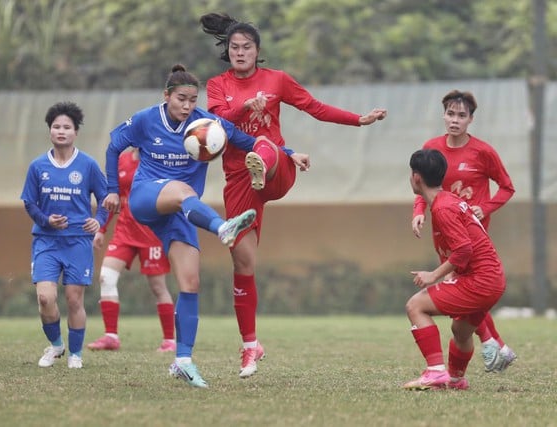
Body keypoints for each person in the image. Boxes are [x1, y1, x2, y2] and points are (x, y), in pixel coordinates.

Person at [199, 12, 387, 378]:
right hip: (239, 179)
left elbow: (315, 107)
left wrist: (357, 119)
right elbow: (217, 122)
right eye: (234, 47)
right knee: (242, 263)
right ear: (227, 51)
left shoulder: (277, 80)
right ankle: (251, 346)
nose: (240, 53)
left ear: (257, 51)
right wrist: (244, 106)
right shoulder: (217, 84)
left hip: (276, 169)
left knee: (265, 144)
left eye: (247, 47)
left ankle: (262, 162)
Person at [103, 64, 308, 388]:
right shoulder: (145, 119)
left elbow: (244, 139)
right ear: (166, 95)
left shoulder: (207, 123)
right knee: (184, 190)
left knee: (190, 282)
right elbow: (114, 145)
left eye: (191, 100)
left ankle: (182, 360)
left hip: (183, 212)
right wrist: (112, 189)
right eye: (180, 99)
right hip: (147, 195)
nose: (186, 106)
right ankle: (222, 227)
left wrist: (288, 152)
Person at [411, 90, 516, 372]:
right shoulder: (432, 147)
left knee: (466, 285)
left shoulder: (483, 152)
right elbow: (423, 185)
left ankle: (493, 345)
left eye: (461, 115)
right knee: (464, 290)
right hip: (443, 226)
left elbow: (507, 187)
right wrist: (419, 212)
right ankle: (494, 346)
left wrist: (486, 207)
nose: (454, 120)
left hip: (468, 231)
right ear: (443, 115)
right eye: (450, 114)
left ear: (471, 120)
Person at [404, 148, 506, 390]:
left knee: (415, 306)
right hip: (493, 279)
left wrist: (433, 276)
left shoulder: (442, 208)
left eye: (411, 173)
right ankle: (456, 379)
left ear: (417, 177)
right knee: (461, 330)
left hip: (480, 281)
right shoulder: (450, 200)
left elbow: (463, 250)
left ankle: (435, 371)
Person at [20, 101, 108, 369]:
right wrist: (46, 220)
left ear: (75, 132)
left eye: (66, 127)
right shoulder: (37, 167)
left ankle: (76, 353)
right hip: (46, 241)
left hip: (78, 241)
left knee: (73, 299)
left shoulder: (88, 165)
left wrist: (99, 222)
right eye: (56, 126)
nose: (61, 131)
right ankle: (57, 344)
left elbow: (106, 198)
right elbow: (29, 202)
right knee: (45, 298)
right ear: (50, 131)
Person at [87, 148, 176, 353]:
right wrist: (101, 229)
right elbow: (113, 198)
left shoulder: (161, 159)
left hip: (151, 233)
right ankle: (111, 336)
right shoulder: (122, 160)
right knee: (106, 277)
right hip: (125, 231)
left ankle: (169, 340)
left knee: (158, 287)